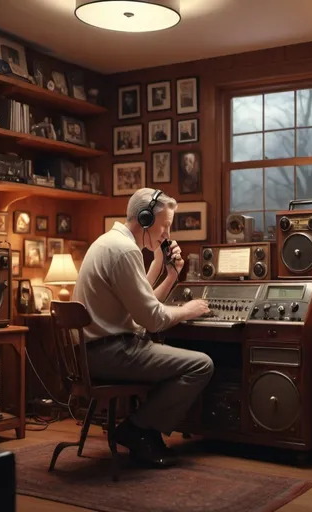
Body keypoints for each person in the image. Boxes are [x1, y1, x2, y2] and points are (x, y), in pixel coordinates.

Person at [72, 188, 213, 468]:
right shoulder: (124, 251)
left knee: (184, 360)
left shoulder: (110, 243)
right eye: (165, 226)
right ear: (145, 219)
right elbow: (152, 320)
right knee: (201, 365)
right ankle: (136, 430)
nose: (167, 234)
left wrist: (167, 271)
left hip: (95, 352)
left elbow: (140, 303)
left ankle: (144, 433)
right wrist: (188, 310)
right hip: (110, 353)